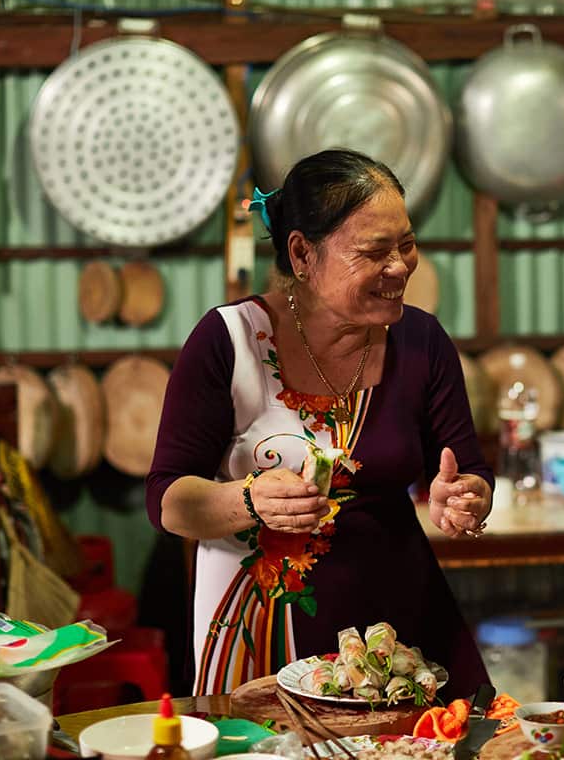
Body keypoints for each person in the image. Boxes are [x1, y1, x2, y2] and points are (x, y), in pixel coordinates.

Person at [146, 148, 493, 697]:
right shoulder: (228, 343)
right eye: (374, 252)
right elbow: (168, 501)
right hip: (260, 629)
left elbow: (466, 471)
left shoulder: (422, 342)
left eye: (406, 244)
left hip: (396, 637)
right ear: (303, 254)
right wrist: (250, 501)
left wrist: (467, 497)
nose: (400, 266)